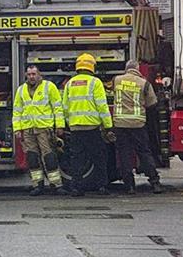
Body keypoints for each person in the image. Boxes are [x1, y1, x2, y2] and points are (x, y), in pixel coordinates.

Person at [61, 53, 114, 197]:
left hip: (76, 128)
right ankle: (102, 186)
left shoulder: (70, 83)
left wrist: (69, 123)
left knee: (77, 159)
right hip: (92, 128)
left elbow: (65, 107)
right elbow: (102, 106)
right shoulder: (95, 82)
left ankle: (76, 188)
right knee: (99, 157)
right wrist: (108, 126)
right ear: (92, 66)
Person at [111, 60, 164, 194]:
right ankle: (154, 182)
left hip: (120, 124)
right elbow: (152, 103)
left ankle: (129, 186)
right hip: (137, 124)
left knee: (124, 154)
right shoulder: (144, 83)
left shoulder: (116, 80)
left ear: (126, 69)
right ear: (137, 69)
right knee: (144, 153)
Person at [13, 65, 65, 196]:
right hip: (28, 129)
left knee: (49, 157)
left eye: (34, 74)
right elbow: (17, 111)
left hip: (44, 129)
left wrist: (59, 126)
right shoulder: (21, 90)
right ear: (26, 75)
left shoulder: (49, 87)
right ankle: (37, 185)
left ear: (39, 75)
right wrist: (17, 129)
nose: (31, 76)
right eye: (29, 74)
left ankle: (56, 185)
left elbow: (57, 108)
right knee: (32, 158)